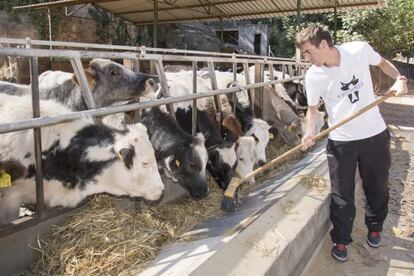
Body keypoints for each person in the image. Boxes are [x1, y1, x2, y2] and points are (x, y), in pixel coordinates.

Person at [296, 23, 408, 262]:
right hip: (341, 142)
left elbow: (383, 64)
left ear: (323, 45)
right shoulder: (313, 76)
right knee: (341, 195)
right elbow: (313, 110)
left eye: (308, 52)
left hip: (374, 135)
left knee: (377, 186)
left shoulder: (358, 50)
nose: (306, 58)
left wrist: (399, 79)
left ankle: (375, 225)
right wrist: (309, 132)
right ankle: (341, 239)